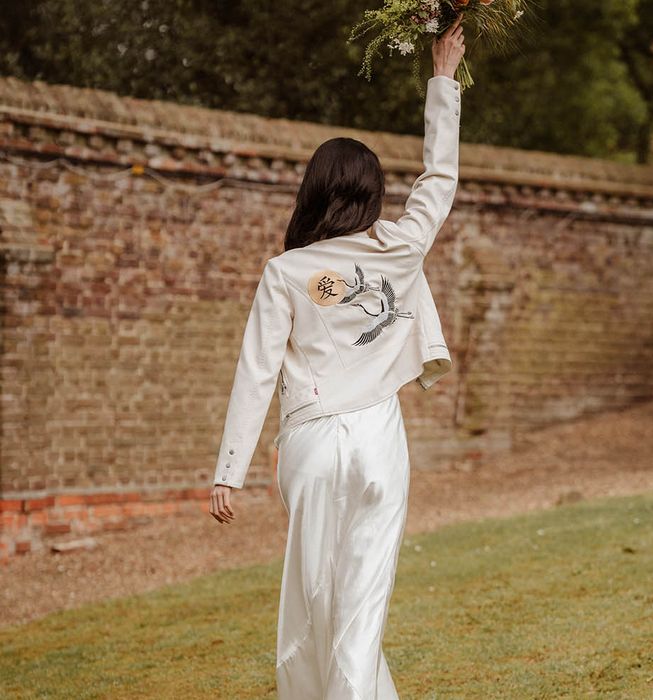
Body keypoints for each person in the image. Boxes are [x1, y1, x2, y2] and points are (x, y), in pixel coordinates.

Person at [210, 13, 465, 699]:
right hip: (379, 437)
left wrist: (229, 471)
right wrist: (442, 81)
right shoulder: (401, 248)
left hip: (312, 442)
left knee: (312, 606)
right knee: (361, 608)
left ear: (313, 194)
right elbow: (439, 180)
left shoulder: (286, 271)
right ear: (373, 194)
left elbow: (256, 371)